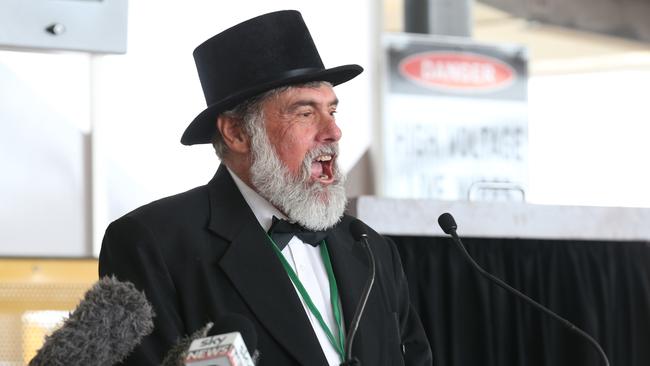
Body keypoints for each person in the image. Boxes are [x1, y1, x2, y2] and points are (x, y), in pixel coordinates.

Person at [99, 10, 432, 366]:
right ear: (237, 133)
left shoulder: (370, 247)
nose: (333, 132)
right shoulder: (152, 244)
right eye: (305, 113)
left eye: (332, 112)